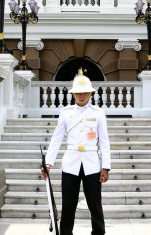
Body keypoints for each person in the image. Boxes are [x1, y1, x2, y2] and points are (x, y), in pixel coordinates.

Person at [42, 68, 111, 235]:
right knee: (68, 205)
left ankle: (98, 233)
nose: (82, 96)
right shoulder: (65, 113)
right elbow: (56, 138)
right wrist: (48, 163)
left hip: (92, 164)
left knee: (95, 204)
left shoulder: (98, 113)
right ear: (73, 94)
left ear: (90, 93)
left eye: (85, 92)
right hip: (70, 164)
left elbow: (104, 141)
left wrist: (106, 167)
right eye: (78, 93)